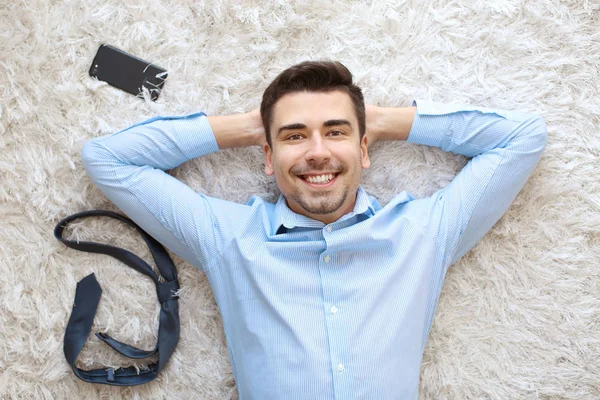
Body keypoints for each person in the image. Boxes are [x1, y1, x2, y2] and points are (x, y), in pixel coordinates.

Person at [81, 60, 547, 399]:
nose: (317, 152)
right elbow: (108, 158)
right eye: (294, 135)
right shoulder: (228, 236)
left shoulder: (423, 233)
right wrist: (248, 126)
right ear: (267, 157)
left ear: (365, 150)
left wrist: (382, 121)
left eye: (337, 132)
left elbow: (524, 137)